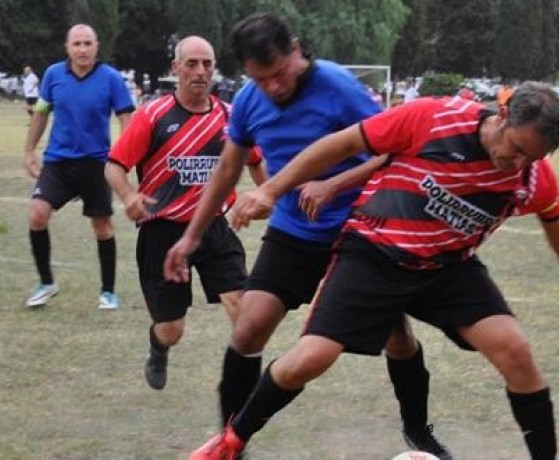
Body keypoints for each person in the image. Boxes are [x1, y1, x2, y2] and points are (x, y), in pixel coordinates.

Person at [188, 82, 559, 460]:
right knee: (310, 359)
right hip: (374, 255)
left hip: (446, 267)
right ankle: (231, 440)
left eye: (531, 158)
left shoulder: (531, 177)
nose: (517, 163)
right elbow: (343, 144)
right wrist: (270, 189)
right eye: (515, 148)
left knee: (515, 350)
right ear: (504, 113)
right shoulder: (432, 118)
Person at [164, 13, 450, 459]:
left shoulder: (338, 87)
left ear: (295, 50)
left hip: (359, 233)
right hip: (294, 232)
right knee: (248, 330)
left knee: (397, 336)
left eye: (279, 73)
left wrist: (333, 183)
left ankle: (419, 431)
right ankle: (230, 442)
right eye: (261, 79)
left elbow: (393, 151)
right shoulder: (247, 101)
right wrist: (191, 237)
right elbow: (227, 168)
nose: (274, 87)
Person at [105, 36, 267, 390]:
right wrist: (129, 194)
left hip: (213, 228)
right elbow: (114, 166)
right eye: (192, 63)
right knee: (172, 329)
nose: (200, 71)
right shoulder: (153, 115)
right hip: (163, 232)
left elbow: (257, 164)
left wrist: (265, 194)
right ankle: (158, 346)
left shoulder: (229, 118)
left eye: (207, 64)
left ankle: (246, 391)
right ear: (175, 67)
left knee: (244, 310)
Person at [23, 24, 135, 309]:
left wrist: (125, 158)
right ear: (67, 47)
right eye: (77, 44)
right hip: (58, 161)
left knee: (102, 227)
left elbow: (126, 119)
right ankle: (46, 283)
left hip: (96, 163)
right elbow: (40, 113)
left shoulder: (110, 78)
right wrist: (29, 150)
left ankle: (108, 291)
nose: (82, 49)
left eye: (87, 43)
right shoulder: (53, 75)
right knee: (37, 214)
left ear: (97, 46)